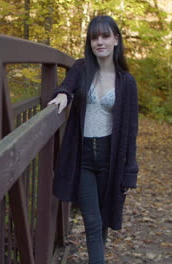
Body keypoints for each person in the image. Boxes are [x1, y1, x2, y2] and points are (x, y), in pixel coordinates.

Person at [48, 15, 139, 264]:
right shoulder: (81, 68)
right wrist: (63, 95)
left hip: (111, 159)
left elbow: (131, 131)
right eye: (94, 37)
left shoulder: (127, 83)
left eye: (105, 36)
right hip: (83, 158)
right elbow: (67, 86)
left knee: (103, 218)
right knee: (93, 221)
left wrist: (129, 172)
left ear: (116, 40)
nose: (99, 42)